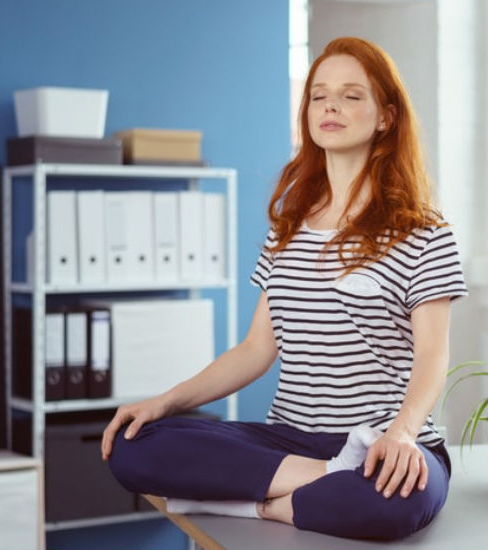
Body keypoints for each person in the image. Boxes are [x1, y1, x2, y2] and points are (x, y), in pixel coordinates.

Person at [100, 36, 467, 541]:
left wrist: (403, 433)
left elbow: (432, 356)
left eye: (351, 95)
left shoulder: (424, 232)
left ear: (385, 116)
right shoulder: (289, 227)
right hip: (288, 442)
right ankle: (326, 481)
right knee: (135, 444)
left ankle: (261, 505)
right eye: (319, 95)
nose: (331, 105)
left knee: (395, 501)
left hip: (389, 441)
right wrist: (164, 402)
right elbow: (255, 349)